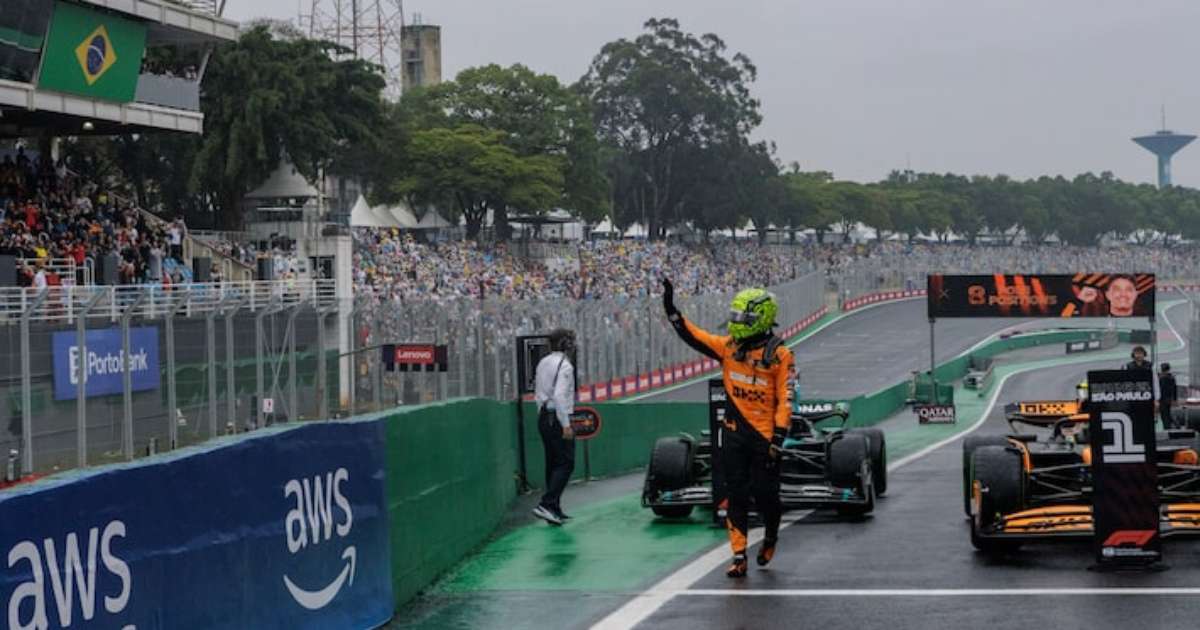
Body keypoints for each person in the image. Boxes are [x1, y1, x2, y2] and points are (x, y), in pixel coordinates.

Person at [662, 278, 794, 578]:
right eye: (734, 317)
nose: (736, 324)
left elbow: (786, 397)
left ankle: (771, 536)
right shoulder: (728, 348)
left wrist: (779, 436)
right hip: (733, 435)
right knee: (735, 495)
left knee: (766, 497)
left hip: (765, 438)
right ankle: (738, 556)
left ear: (760, 318)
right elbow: (694, 335)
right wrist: (671, 310)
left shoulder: (781, 355)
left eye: (742, 318)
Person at [531, 328, 577, 526]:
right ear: (565, 344)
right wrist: (565, 424)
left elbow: (537, 392)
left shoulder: (543, 362)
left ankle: (554, 509)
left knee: (552, 463)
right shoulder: (565, 365)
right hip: (557, 417)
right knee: (566, 463)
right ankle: (547, 504)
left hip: (543, 416)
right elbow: (559, 395)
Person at [1160, 363, 1178, 429]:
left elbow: (1160, 389)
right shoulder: (1172, 377)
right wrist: (1175, 399)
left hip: (1162, 398)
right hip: (1169, 398)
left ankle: (1167, 427)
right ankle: (1175, 425)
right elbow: (1174, 389)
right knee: (1167, 413)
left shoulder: (1161, 378)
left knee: (1164, 414)